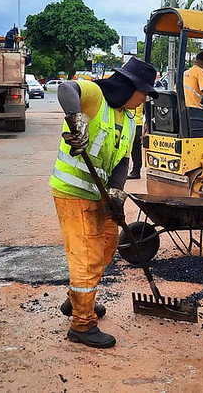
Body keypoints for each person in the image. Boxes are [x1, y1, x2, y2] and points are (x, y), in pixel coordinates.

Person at [50, 57, 159, 348]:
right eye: (145, 93)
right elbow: (66, 88)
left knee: (109, 243)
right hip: (73, 191)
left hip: (99, 194)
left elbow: (123, 160)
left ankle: (77, 300)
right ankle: (82, 324)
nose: (145, 99)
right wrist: (76, 118)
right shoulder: (96, 96)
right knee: (86, 254)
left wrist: (116, 192)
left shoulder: (132, 118)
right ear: (131, 87)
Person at [127, 102, 144, 179]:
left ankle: (135, 171)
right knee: (135, 149)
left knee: (134, 149)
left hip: (133, 123)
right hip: (137, 123)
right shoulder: (140, 96)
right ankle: (136, 171)